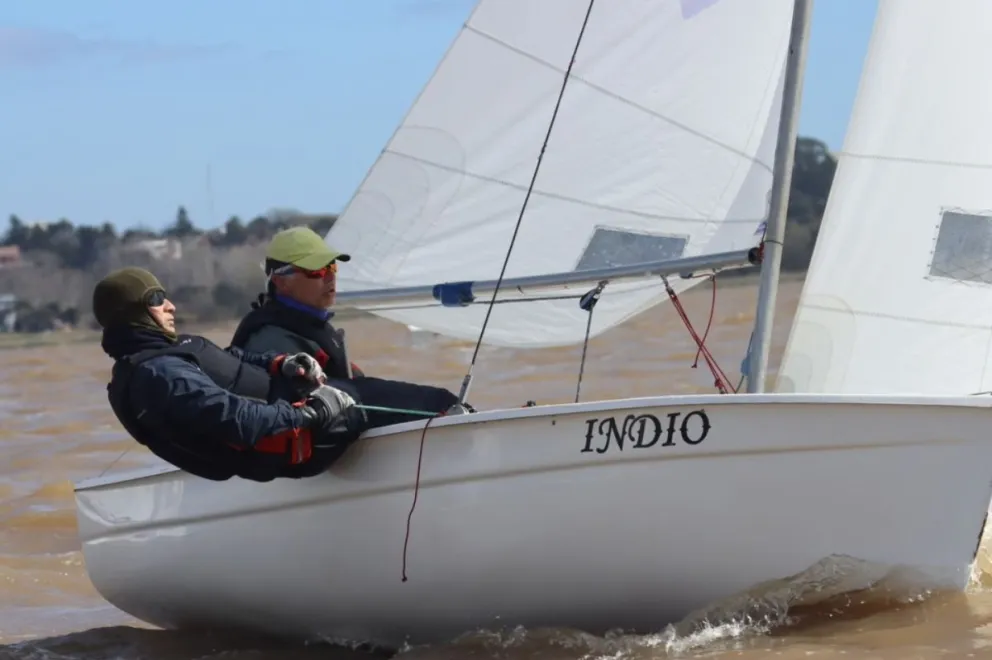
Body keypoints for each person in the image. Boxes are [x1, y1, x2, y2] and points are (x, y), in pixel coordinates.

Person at [93, 266, 370, 483]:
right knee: (388, 398)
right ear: (132, 313)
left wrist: (281, 362)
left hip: (300, 403)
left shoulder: (169, 352)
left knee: (371, 389)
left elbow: (229, 358)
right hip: (306, 440)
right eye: (156, 299)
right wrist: (312, 413)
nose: (170, 305)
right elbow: (238, 419)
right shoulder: (161, 376)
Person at [229, 226, 475, 427]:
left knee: (441, 402)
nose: (330, 277)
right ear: (281, 281)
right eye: (317, 270)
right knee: (440, 402)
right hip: (306, 459)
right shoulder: (269, 339)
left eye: (332, 267)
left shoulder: (305, 327)